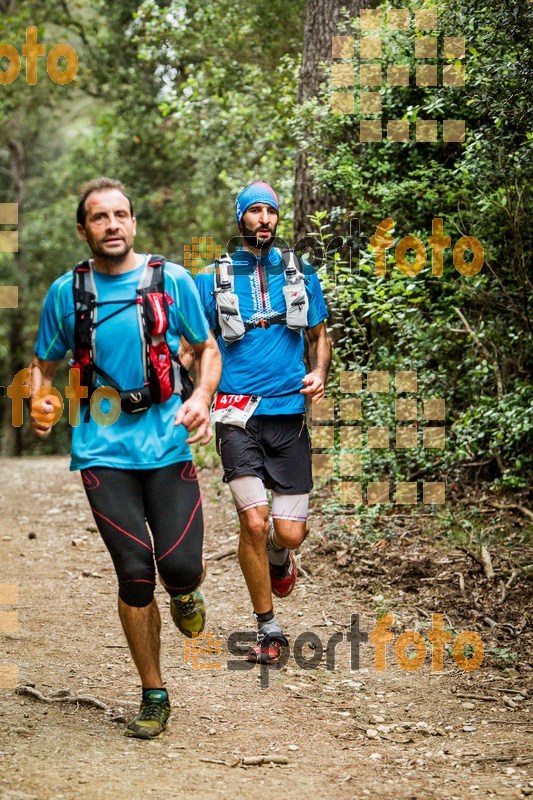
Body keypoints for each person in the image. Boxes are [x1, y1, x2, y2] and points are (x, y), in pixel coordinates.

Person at [31, 177, 221, 739]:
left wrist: (202, 399)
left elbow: (206, 348)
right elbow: (44, 364)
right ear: (83, 229)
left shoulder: (172, 280)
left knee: (180, 567)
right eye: (99, 217)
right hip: (101, 447)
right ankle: (153, 692)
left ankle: (186, 592)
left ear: (134, 223)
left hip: (166, 442)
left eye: (121, 215)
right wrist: (40, 399)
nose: (112, 225)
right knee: (135, 572)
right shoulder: (66, 293)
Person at [195, 181, 331, 664]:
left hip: (287, 413)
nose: (264, 219)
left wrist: (317, 373)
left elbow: (319, 334)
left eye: (270, 212)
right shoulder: (208, 279)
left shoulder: (300, 272)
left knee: (289, 532)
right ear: (240, 220)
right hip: (235, 413)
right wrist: (198, 397)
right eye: (254, 211)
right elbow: (197, 344)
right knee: (253, 521)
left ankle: (279, 555)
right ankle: (268, 629)